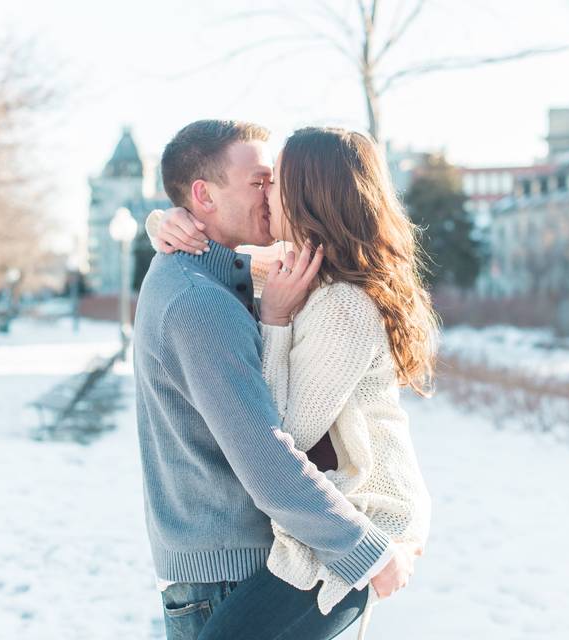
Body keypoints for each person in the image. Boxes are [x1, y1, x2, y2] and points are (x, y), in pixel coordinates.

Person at [146, 125, 437, 639]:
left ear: (307, 193)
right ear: (203, 195)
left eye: (273, 181)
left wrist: (275, 320)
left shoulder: (325, 293)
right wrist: (164, 220)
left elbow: (281, 437)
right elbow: (271, 445)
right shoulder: (209, 293)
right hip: (239, 565)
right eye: (259, 181)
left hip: (318, 544)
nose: (267, 194)